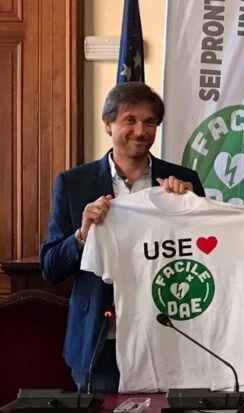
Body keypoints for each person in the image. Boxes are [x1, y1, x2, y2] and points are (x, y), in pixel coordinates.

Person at [40, 82, 203, 392]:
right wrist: (82, 234)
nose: (140, 131)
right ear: (108, 124)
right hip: (100, 341)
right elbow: (51, 268)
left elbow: (204, 256)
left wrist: (190, 210)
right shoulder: (73, 184)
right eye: (130, 120)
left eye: (149, 122)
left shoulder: (183, 181)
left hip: (168, 336)